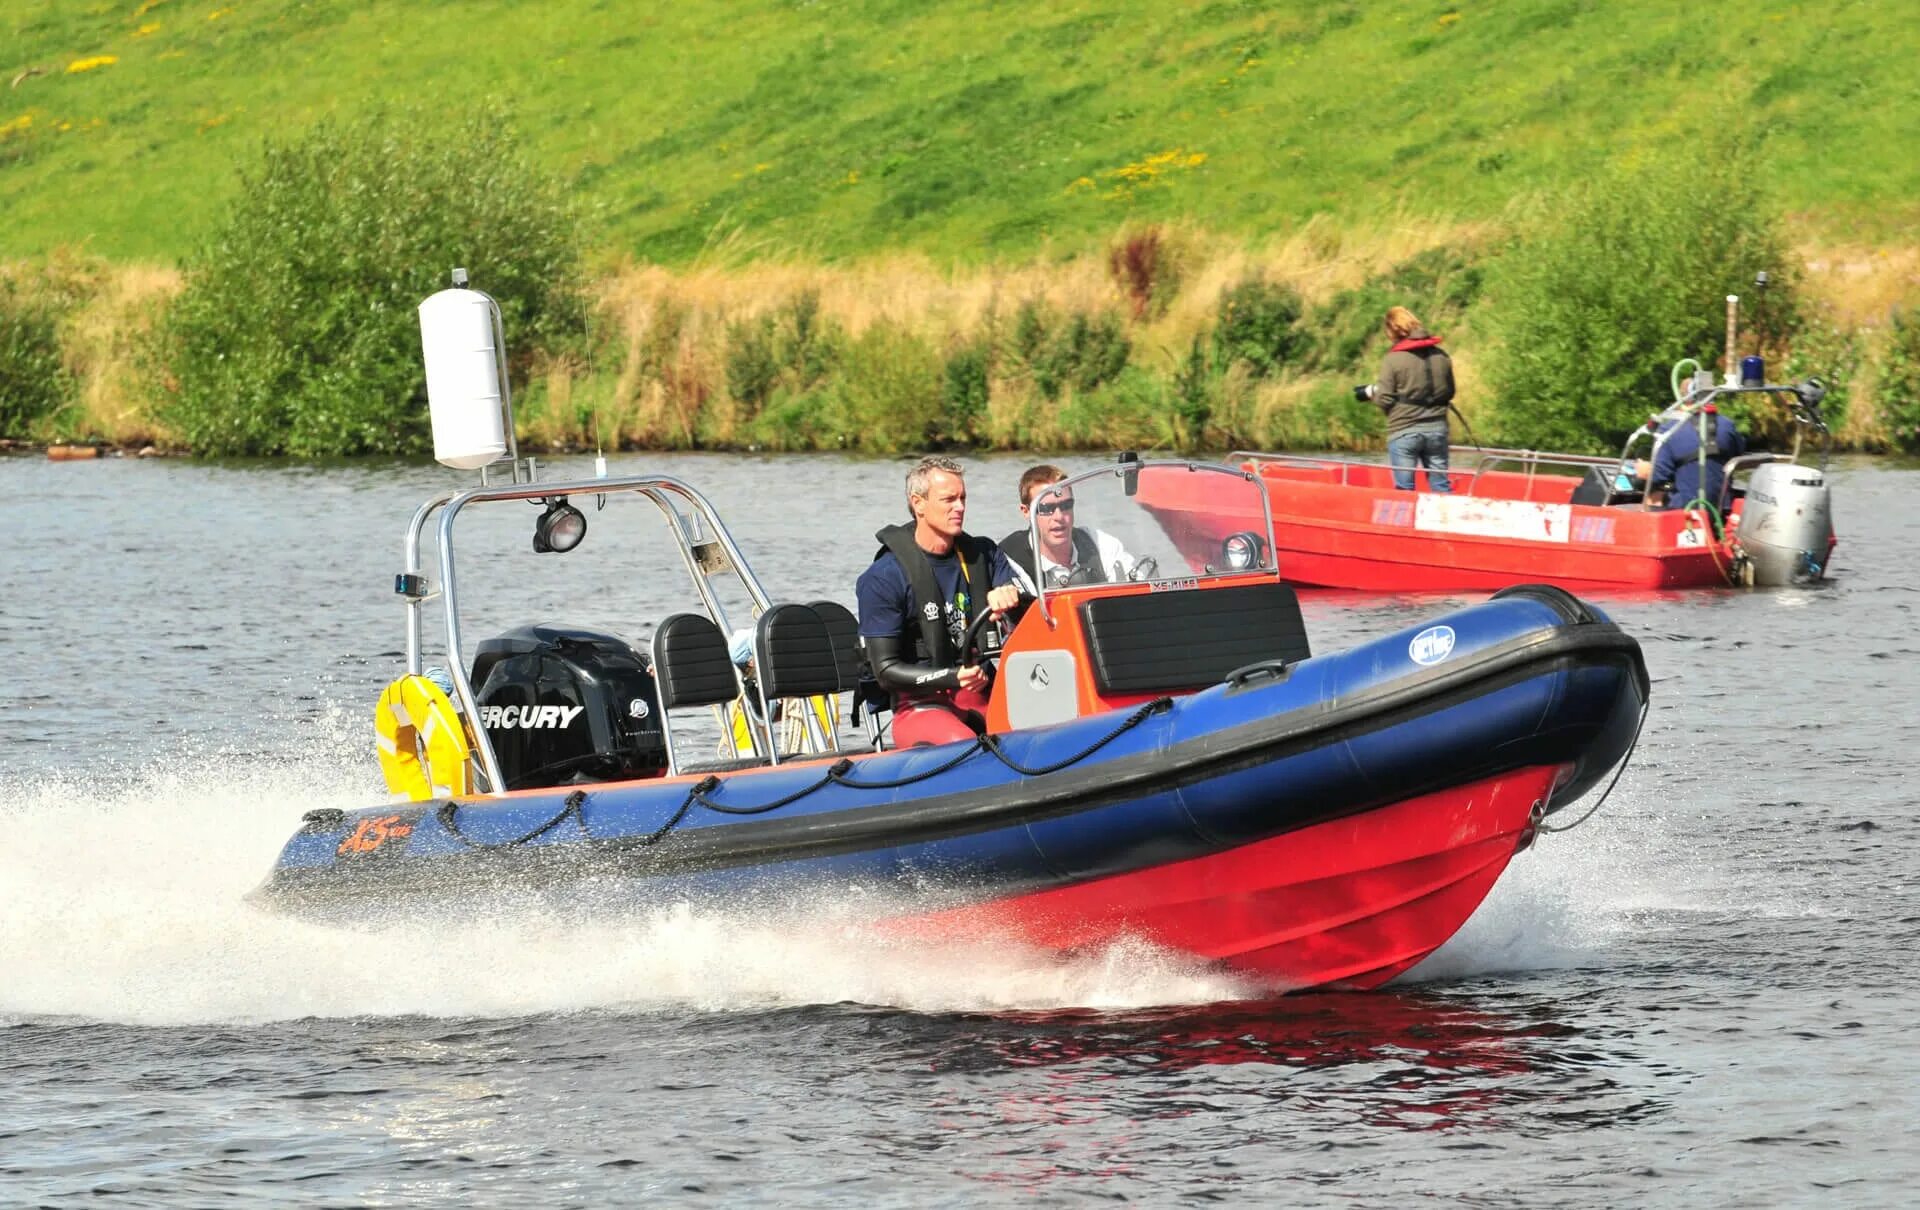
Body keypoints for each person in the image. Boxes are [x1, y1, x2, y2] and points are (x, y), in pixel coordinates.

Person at [855, 455, 1023, 746]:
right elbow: (885, 672)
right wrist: (953, 676)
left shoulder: (985, 555)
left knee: (1036, 733)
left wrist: (1010, 595)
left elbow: (1025, 606)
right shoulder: (883, 577)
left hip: (982, 694)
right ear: (918, 503)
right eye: (948, 500)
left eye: (963, 498)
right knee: (967, 747)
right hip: (920, 706)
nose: (959, 507)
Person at [1357, 305, 1454, 493]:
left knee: (1404, 488)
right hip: (1437, 430)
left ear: (1393, 330)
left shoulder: (1393, 359)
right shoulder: (1441, 355)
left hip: (1404, 430)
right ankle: (1444, 520)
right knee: (1441, 485)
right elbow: (1449, 392)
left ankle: (1404, 522)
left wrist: (1372, 394)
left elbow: (1384, 399)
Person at [999, 464, 1136, 592]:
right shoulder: (1008, 559)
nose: (1059, 516)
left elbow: (1138, 589)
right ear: (1026, 511)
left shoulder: (1100, 544)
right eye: (1046, 508)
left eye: (1066, 505)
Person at [1649, 403, 1746, 513]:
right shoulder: (1728, 425)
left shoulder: (1669, 430)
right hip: (1723, 509)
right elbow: (1739, 453)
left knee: (1654, 496)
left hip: (1686, 511)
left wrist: (1644, 472)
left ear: (1683, 401)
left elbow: (1659, 477)